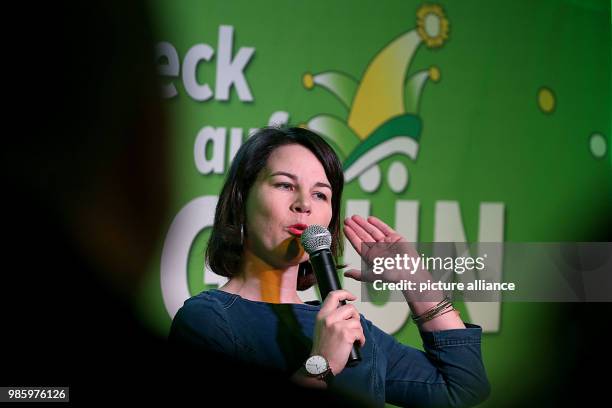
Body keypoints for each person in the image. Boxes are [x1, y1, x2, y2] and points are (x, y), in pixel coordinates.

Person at [169, 126, 491, 407]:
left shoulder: (347, 327)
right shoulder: (209, 321)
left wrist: (415, 278)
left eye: (321, 195)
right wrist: (320, 364)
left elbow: (462, 387)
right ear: (241, 200)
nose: (305, 204)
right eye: (284, 185)